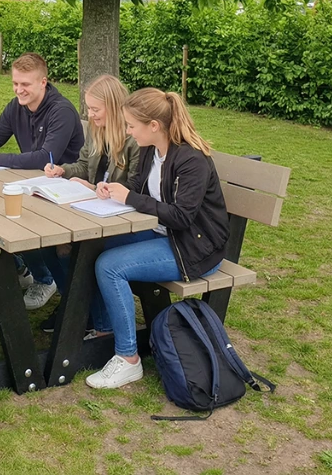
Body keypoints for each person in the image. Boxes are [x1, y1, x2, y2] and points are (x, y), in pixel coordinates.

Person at [85, 87, 230, 390]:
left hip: (194, 248)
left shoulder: (192, 160)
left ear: (154, 126)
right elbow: (138, 188)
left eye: (131, 126)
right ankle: (103, 329)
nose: (127, 131)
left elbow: (182, 217)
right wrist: (113, 190)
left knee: (110, 266)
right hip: (165, 235)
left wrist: (130, 198)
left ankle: (128, 359)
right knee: (92, 247)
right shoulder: (153, 148)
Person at [0, 52, 85, 310]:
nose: (18, 90)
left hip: (66, 190)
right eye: (15, 83)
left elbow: (46, 157)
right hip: (32, 184)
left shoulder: (61, 111)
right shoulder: (16, 106)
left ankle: (44, 279)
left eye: (25, 85)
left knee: (18, 220)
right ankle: (18, 269)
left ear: (43, 82)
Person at [35, 74, 140, 329]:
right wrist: (63, 171)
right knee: (50, 244)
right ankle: (77, 306)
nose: (90, 115)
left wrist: (93, 189)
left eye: (95, 109)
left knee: (72, 248)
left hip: (121, 217)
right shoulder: (96, 132)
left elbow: (135, 187)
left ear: (114, 108)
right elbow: (83, 165)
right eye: (89, 109)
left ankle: (96, 322)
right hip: (92, 208)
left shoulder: (134, 140)